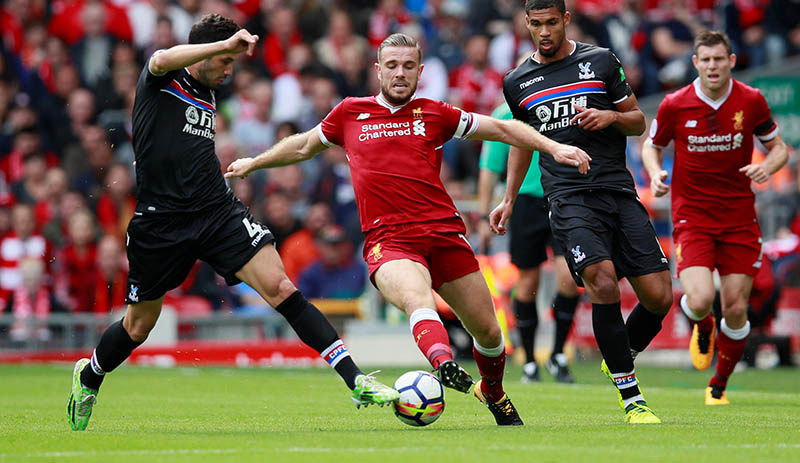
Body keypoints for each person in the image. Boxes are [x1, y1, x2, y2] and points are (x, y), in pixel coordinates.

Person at [226, 32, 591, 426]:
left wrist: (554, 148)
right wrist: (254, 163)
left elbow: (503, 129)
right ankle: (443, 362)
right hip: (390, 241)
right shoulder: (350, 113)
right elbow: (302, 146)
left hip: (444, 236)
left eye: (408, 66)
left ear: (420, 71)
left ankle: (494, 391)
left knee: (489, 334)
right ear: (378, 70)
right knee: (419, 299)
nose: (400, 74)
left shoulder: (436, 113)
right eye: (393, 66)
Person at [66, 14, 399, 432]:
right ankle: (90, 376)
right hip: (161, 224)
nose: (228, 71)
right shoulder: (161, 79)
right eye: (226, 61)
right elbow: (162, 56)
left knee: (281, 287)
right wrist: (223, 46)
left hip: (216, 211)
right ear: (209, 51)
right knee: (138, 326)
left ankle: (356, 381)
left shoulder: (208, 91)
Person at [490, 0, 673, 424]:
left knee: (659, 297)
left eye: (552, 22)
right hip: (567, 197)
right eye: (536, 25)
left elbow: (638, 121)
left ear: (566, 19)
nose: (544, 32)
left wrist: (610, 117)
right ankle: (633, 400)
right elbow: (522, 142)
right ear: (527, 25)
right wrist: (509, 198)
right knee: (603, 282)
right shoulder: (517, 82)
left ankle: (617, 354)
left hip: (617, 190)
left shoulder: (602, 61)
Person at [641, 30, 789, 405]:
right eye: (705, 60)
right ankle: (702, 324)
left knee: (738, 307)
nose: (712, 66)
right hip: (693, 216)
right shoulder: (675, 103)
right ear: (695, 63)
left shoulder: (751, 100)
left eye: (718, 59)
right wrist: (656, 173)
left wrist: (767, 166)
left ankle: (718, 386)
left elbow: (779, 148)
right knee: (703, 297)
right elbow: (651, 145)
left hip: (739, 217)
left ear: (731, 61)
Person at [477, 101, 581, 384]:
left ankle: (559, 354)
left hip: (563, 197)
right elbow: (489, 167)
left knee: (569, 279)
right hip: (525, 204)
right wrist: (482, 214)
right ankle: (530, 361)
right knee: (528, 284)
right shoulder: (503, 114)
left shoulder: (561, 105)